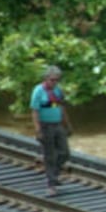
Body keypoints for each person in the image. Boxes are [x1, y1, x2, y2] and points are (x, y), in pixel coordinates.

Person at [29, 64, 72, 196]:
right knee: (50, 155)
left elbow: (62, 108)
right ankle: (51, 183)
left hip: (57, 124)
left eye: (56, 80)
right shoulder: (38, 91)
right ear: (46, 78)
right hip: (45, 125)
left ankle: (54, 173)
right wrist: (38, 130)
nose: (54, 82)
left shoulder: (58, 91)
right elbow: (35, 111)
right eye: (52, 80)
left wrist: (68, 124)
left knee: (65, 152)